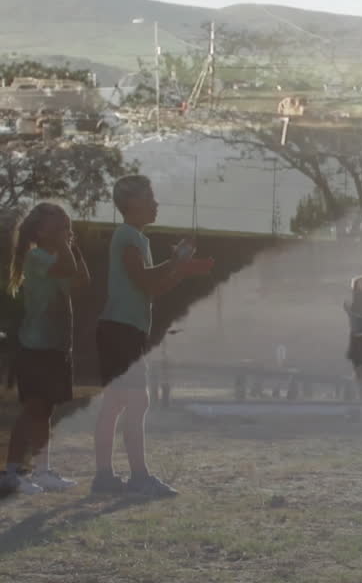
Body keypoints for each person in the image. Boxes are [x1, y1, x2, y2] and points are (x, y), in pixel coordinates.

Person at [92, 175, 213, 496]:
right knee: (135, 401)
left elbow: (153, 289)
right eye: (150, 198)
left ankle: (105, 478)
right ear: (131, 204)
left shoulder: (137, 239)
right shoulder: (127, 236)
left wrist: (180, 270)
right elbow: (144, 280)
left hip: (124, 330)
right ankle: (138, 477)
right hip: (121, 331)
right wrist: (175, 261)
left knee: (116, 403)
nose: (156, 204)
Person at [2, 203, 89, 495]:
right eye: (56, 226)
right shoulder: (38, 257)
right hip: (35, 346)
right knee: (33, 409)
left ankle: (42, 470)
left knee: (44, 411)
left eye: (66, 225)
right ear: (39, 232)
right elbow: (68, 269)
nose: (63, 230)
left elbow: (81, 280)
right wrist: (65, 246)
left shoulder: (55, 257)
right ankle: (12, 471)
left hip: (54, 347)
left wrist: (69, 245)